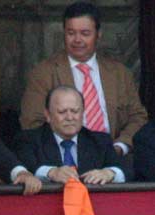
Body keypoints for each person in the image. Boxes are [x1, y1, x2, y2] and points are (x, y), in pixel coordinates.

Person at [20, 1, 147, 156]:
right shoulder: (43, 73)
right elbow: (32, 123)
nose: (77, 40)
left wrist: (120, 146)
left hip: (113, 157)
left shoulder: (120, 73)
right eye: (71, 33)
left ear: (98, 34)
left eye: (85, 33)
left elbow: (138, 117)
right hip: (65, 158)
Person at [15, 85, 132, 184]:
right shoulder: (29, 140)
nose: (70, 117)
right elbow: (23, 168)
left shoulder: (100, 141)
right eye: (62, 112)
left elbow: (128, 170)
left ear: (83, 113)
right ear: (48, 115)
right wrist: (51, 172)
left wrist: (110, 173)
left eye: (75, 111)